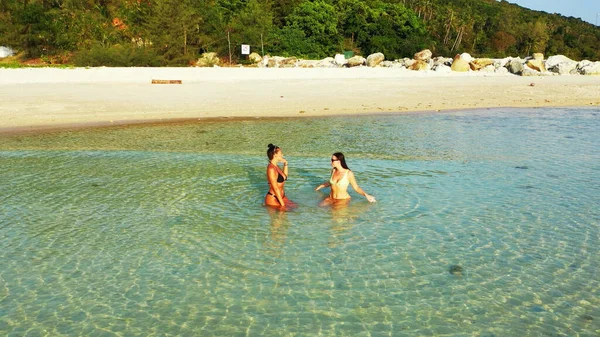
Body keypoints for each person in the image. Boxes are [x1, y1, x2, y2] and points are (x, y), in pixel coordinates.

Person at [265, 144, 296, 209]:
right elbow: (275, 188)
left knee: (296, 208)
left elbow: (284, 177)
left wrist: (286, 164)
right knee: (282, 215)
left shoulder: (275, 166)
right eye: (281, 153)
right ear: (275, 155)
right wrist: (283, 205)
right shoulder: (271, 168)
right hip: (273, 198)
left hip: (282, 196)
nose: (282, 155)